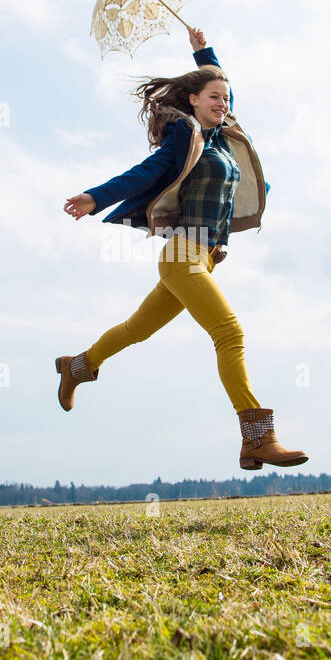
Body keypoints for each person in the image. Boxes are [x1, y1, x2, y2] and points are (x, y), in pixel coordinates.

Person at [57, 25, 308, 471]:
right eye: (214, 97)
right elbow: (146, 170)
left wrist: (203, 52)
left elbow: (226, 93)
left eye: (226, 99)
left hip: (205, 259)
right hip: (181, 254)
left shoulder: (227, 138)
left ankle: (76, 366)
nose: (223, 104)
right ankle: (258, 437)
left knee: (136, 330)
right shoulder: (185, 135)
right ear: (193, 100)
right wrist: (96, 196)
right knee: (229, 333)